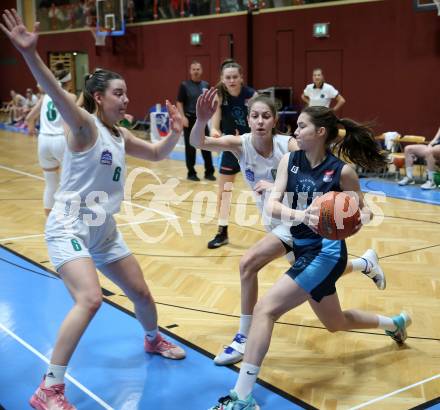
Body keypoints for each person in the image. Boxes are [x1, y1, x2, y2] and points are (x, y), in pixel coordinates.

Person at [0, 9, 186, 410]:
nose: (126, 99)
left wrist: (178, 131)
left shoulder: (118, 135)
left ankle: (152, 338)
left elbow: (156, 153)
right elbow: (54, 93)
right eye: (119, 93)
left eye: (126, 93)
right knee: (90, 299)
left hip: (103, 229)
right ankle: (48, 389)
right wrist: (32, 55)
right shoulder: (84, 127)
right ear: (99, 98)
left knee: (140, 293)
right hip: (68, 226)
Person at [208, 105, 411, 409]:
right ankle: (393, 323)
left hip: (325, 253)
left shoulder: (342, 171)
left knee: (265, 310)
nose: (295, 131)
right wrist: (302, 213)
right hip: (301, 245)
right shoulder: (290, 160)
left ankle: (242, 397)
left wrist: (351, 220)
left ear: (320, 132)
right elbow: (273, 205)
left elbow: (365, 210)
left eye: (301, 126)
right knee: (336, 322)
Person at [192, 89, 386, 367]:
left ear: (274, 121)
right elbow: (199, 141)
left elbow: (312, 167)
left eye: (266, 116)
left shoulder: (290, 145)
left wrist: (276, 187)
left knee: (248, 264)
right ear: (248, 119)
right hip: (280, 221)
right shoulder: (241, 144)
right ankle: (364, 264)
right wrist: (200, 120)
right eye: (255, 116)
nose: (260, 121)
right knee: (332, 315)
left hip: (296, 222)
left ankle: (243, 338)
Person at [207, 60, 257, 249]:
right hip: (230, 148)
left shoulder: (251, 95)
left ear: (241, 78)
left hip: (251, 148)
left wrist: (249, 136)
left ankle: (282, 232)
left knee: (265, 191)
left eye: (235, 76)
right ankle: (222, 232)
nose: (232, 80)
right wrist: (215, 132)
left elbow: (260, 121)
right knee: (224, 193)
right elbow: (214, 124)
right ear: (222, 79)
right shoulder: (219, 96)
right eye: (228, 77)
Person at [25, 67, 77, 216]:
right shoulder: (70, 97)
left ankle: (50, 221)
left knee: (51, 184)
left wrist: (31, 129)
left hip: (43, 141)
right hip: (61, 140)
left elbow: (29, 118)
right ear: (69, 81)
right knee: (70, 182)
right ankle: (70, 218)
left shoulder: (45, 96)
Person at [176, 60, 216, 181]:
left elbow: (210, 101)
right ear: (190, 71)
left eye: (198, 69)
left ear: (201, 70)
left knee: (206, 145)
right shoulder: (184, 85)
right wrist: (183, 117)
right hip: (189, 119)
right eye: (194, 69)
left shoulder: (206, 85)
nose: (196, 71)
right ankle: (191, 173)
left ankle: (209, 172)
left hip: (202, 120)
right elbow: (179, 102)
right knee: (190, 148)